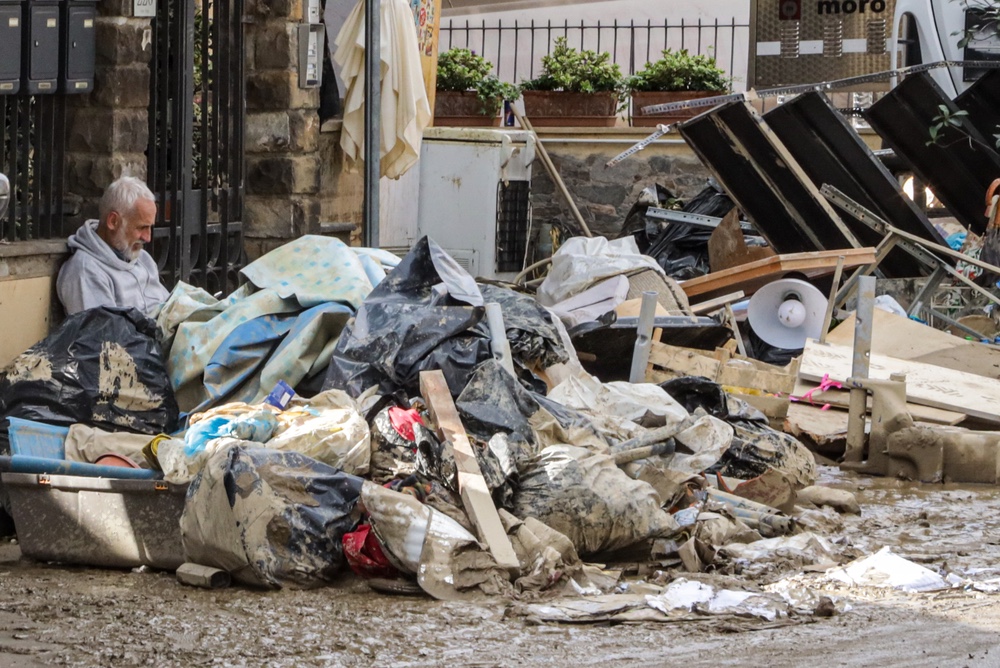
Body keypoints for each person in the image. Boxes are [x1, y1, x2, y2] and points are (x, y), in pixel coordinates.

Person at [57, 176, 170, 315]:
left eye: (150, 227)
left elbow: (170, 308)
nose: (148, 238)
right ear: (113, 221)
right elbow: (104, 333)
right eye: (141, 228)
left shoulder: (143, 259)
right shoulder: (86, 271)